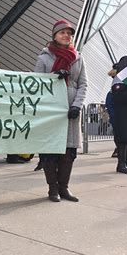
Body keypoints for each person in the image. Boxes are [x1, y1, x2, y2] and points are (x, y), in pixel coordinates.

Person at [34, 20, 87, 202]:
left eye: (69, 33)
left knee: (68, 152)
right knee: (50, 151)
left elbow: (83, 84)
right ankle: (53, 189)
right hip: (51, 110)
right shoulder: (44, 58)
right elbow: (37, 84)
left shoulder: (78, 58)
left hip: (70, 109)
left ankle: (64, 187)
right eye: (62, 32)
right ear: (54, 35)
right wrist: (53, 78)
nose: (66, 36)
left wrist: (77, 105)